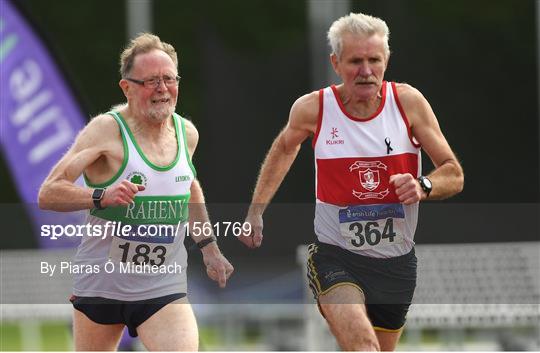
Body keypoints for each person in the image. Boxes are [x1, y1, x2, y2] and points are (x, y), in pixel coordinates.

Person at [239, 13, 464, 351]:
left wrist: (423, 186)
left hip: (396, 262)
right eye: (355, 61)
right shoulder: (313, 108)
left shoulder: (408, 104)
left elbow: (453, 172)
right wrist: (256, 210)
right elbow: (284, 149)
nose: (366, 70)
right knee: (363, 346)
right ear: (336, 62)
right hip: (336, 256)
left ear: (386, 59)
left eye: (374, 60)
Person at [38, 33, 234, 351]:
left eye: (169, 79)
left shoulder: (187, 133)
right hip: (102, 286)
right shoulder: (105, 131)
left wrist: (209, 248)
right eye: (150, 81)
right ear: (126, 87)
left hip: (162, 287)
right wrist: (101, 196)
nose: (162, 89)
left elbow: (190, 186)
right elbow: (49, 193)